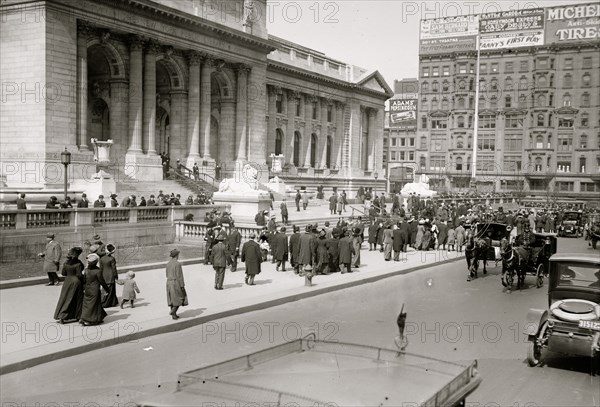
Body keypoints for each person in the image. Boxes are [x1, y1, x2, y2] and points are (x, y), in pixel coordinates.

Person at [53, 246, 84, 324]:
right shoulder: (78, 263)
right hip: (76, 281)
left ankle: (61, 315)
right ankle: (78, 315)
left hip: (67, 281)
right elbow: (79, 275)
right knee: (77, 299)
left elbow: (63, 273)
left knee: (65, 298)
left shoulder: (66, 263)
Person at [79, 253, 109, 326]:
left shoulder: (86, 270)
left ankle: (85, 318)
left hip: (87, 289)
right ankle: (90, 320)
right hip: (95, 290)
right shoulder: (98, 271)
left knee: (87, 304)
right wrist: (107, 289)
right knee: (94, 305)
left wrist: (84, 288)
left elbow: (84, 280)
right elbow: (102, 281)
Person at [166, 249, 187, 320]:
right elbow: (180, 276)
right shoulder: (177, 264)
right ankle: (173, 311)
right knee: (180, 298)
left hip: (169, 283)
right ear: (177, 255)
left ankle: (174, 315)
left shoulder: (168, 263)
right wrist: (182, 286)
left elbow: (166, 274)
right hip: (176, 282)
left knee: (172, 299)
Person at [99, 243, 119, 308]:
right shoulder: (112, 259)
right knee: (111, 290)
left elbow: (101, 268)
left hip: (104, 275)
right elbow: (114, 269)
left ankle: (104, 301)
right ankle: (109, 303)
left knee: (105, 289)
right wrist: (116, 276)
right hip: (110, 276)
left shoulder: (102, 258)